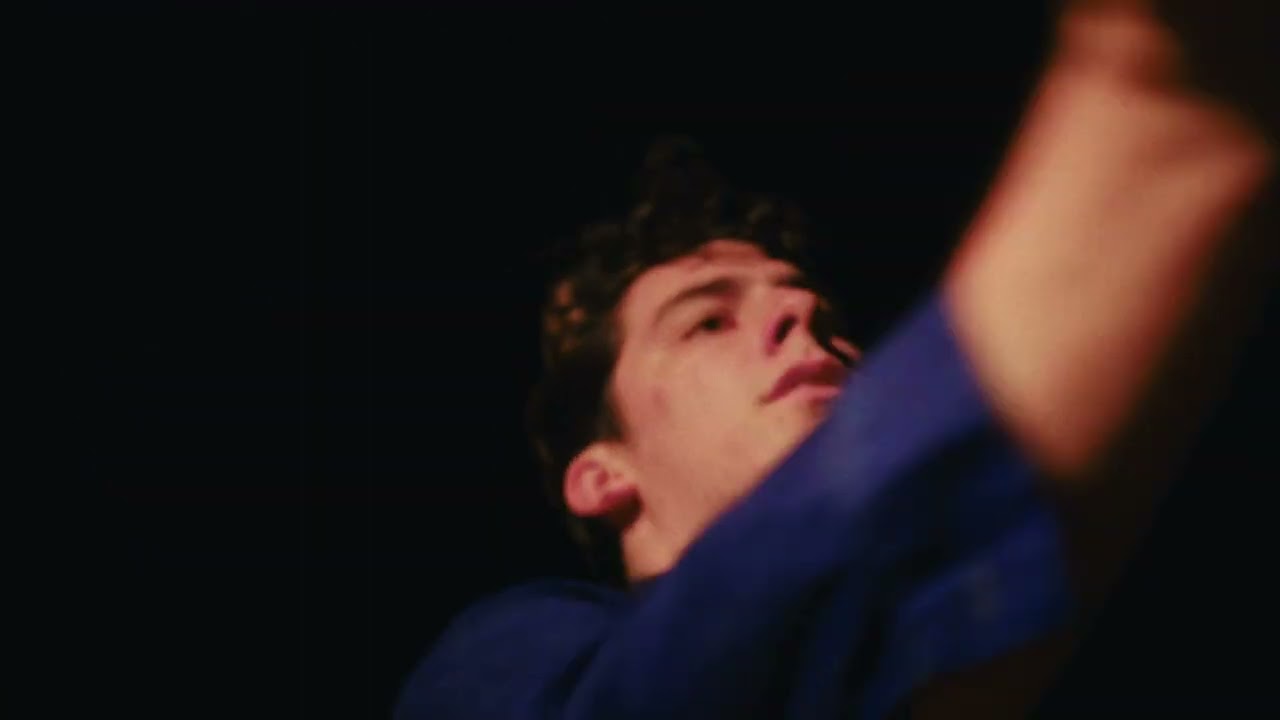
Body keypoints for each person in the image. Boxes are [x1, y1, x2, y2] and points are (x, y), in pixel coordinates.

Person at [395, 2, 1277, 718]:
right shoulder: (504, 657)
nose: (801, 315)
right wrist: (1161, 108)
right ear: (601, 476)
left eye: (820, 312)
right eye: (708, 322)